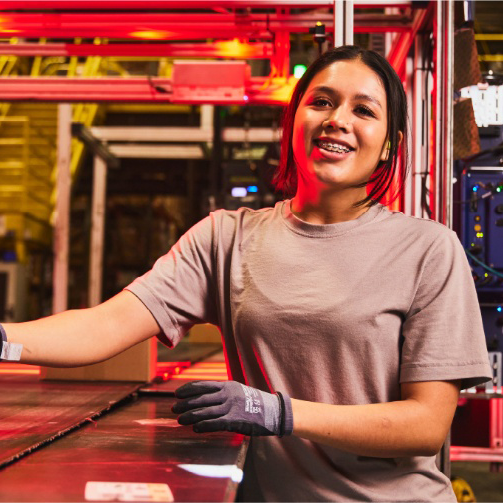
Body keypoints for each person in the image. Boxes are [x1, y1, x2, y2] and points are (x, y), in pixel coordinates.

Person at [1, 45, 492, 502]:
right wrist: (5, 340)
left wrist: (276, 412)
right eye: (321, 101)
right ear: (294, 119)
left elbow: (427, 423)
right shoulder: (226, 238)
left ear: (389, 146)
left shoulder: (428, 249)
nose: (338, 120)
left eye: (364, 110)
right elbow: (105, 325)